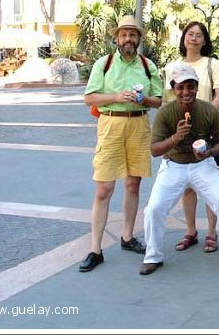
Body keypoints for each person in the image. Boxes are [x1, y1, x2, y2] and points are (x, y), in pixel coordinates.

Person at [140, 63, 219, 275]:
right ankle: (153, 256)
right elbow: (154, 150)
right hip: (173, 165)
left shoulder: (208, 110)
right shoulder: (165, 113)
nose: (186, 92)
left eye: (190, 86)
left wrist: (207, 153)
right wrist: (175, 138)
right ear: (173, 89)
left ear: (197, 87)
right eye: (180, 87)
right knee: (153, 208)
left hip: (202, 165)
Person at [78, 15, 163, 273]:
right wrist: (115, 96)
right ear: (116, 38)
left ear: (139, 39)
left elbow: (158, 100)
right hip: (111, 123)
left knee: (133, 184)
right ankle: (95, 248)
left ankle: (127, 236)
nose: (128, 39)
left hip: (138, 124)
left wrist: (144, 100)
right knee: (104, 188)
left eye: (133, 34)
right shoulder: (104, 64)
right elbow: (88, 98)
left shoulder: (148, 66)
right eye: (124, 34)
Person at [163, 21, 219, 255]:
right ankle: (191, 231)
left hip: (208, 132)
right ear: (183, 38)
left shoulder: (212, 64)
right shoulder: (173, 66)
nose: (193, 38)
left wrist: (206, 118)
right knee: (187, 187)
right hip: (181, 132)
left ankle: (212, 232)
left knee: (213, 185)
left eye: (198, 35)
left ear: (204, 40)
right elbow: (169, 98)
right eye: (190, 34)